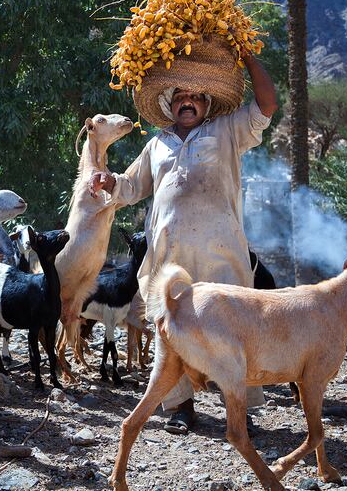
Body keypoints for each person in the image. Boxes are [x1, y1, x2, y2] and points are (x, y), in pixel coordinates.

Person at [89, 50, 278, 434]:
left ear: (207, 103)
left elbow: (267, 105)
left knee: (232, 329)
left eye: (195, 96)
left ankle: (236, 410)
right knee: (170, 328)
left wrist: (249, 60)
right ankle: (180, 407)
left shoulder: (227, 129)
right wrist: (109, 182)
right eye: (179, 96)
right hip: (170, 258)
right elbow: (131, 186)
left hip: (220, 253)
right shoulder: (156, 145)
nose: (187, 101)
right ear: (168, 103)